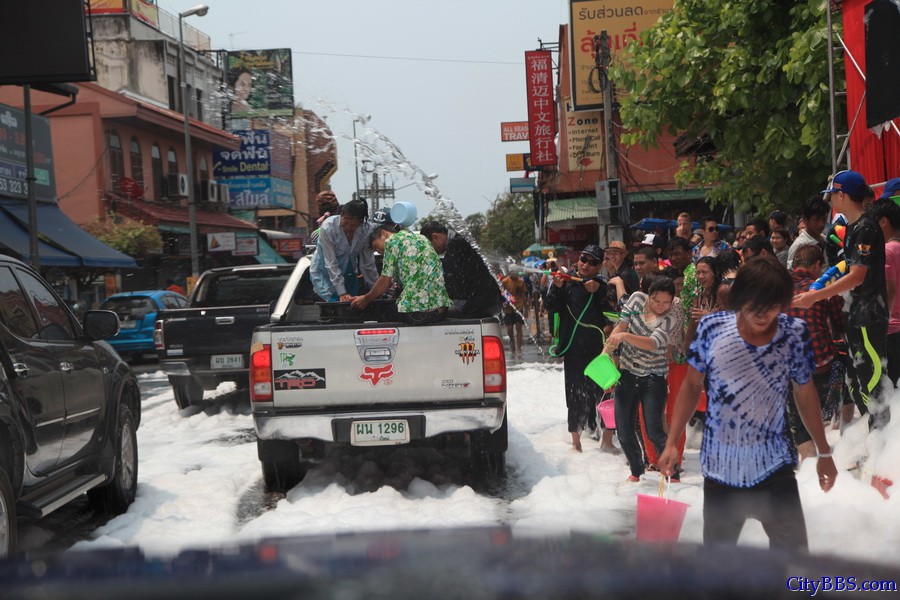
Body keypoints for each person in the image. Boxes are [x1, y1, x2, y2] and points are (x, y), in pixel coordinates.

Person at [659, 257, 837, 551]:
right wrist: (670, 442)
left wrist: (824, 452)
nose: (764, 314)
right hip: (721, 468)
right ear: (740, 299)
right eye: (755, 305)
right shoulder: (712, 329)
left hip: (774, 466)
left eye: (773, 306)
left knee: (794, 563)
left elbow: (804, 394)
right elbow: (691, 386)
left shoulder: (793, 333)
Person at [794, 170, 890, 432]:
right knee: (858, 380)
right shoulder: (853, 227)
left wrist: (815, 297)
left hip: (869, 315)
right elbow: (846, 265)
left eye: (832, 195)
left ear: (842, 194)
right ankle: (875, 446)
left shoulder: (866, 227)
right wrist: (820, 282)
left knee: (873, 381)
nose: (830, 201)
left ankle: (882, 447)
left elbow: (857, 276)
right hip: (856, 313)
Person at [606, 276, 680, 482]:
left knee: (654, 430)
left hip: (653, 378)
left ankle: (672, 473)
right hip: (627, 372)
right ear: (650, 295)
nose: (661, 306)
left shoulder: (670, 317)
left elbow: (653, 343)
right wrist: (608, 350)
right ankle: (636, 471)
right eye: (657, 300)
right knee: (624, 430)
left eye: (666, 302)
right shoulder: (637, 299)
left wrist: (625, 337)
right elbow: (621, 326)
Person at [546, 244, 612, 452]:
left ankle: (607, 442)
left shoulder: (602, 284)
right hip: (573, 349)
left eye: (593, 262)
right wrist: (556, 288)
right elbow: (551, 307)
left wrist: (599, 291)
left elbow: (612, 311)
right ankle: (576, 443)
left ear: (600, 266)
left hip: (598, 351)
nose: (586, 265)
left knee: (603, 393)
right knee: (574, 394)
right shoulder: (565, 282)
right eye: (584, 259)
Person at [785, 245, 847, 458]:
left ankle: (808, 466)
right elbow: (840, 324)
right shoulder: (823, 289)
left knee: (798, 422)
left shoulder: (776, 288)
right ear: (817, 265)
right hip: (821, 363)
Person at [350, 209, 450, 324]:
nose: (380, 252)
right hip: (440, 311)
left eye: (376, 247)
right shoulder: (421, 238)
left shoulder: (392, 242)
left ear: (384, 233)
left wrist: (366, 299)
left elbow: (385, 280)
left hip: (419, 312)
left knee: (381, 312)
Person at [419, 221, 502, 318]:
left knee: (433, 314)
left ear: (435, 237)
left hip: (479, 301)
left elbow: (451, 279)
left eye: (429, 246)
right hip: (489, 299)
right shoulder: (460, 240)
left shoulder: (456, 245)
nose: (431, 251)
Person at [310, 199, 379, 303]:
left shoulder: (366, 230)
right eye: (345, 222)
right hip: (325, 271)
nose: (348, 227)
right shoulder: (328, 227)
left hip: (349, 272)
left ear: (360, 222)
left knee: (353, 305)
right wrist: (342, 292)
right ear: (341, 215)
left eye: (353, 225)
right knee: (335, 304)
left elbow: (368, 264)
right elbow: (331, 262)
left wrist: (376, 291)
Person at [872, 197, 900, 387]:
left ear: (883, 222)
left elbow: (890, 288)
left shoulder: (887, 251)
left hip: (892, 330)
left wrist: (884, 320)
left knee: (891, 389)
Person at [787, 195, 830, 269]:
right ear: (805, 220)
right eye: (816, 220)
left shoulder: (826, 240)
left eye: (824, 219)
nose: (821, 224)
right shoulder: (798, 246)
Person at [604, 240, 639, 308]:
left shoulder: (625, 274)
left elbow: (625, 301)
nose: (612, 256)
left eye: (615, 253)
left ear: (623, 254)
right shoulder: (620, 272)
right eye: (610, 253)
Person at [501, 271, 528, 358]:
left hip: (519, 306)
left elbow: (524, 295)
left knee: (519, 327)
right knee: (509, 329)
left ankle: (519, 348)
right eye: (514, 273)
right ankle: (512, 345)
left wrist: (526, 309)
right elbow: (502, 293)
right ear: (510, 273)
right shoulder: (505, 281)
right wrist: (504, 302)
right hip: (508, 308)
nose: (516, 275)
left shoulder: (521, 282)